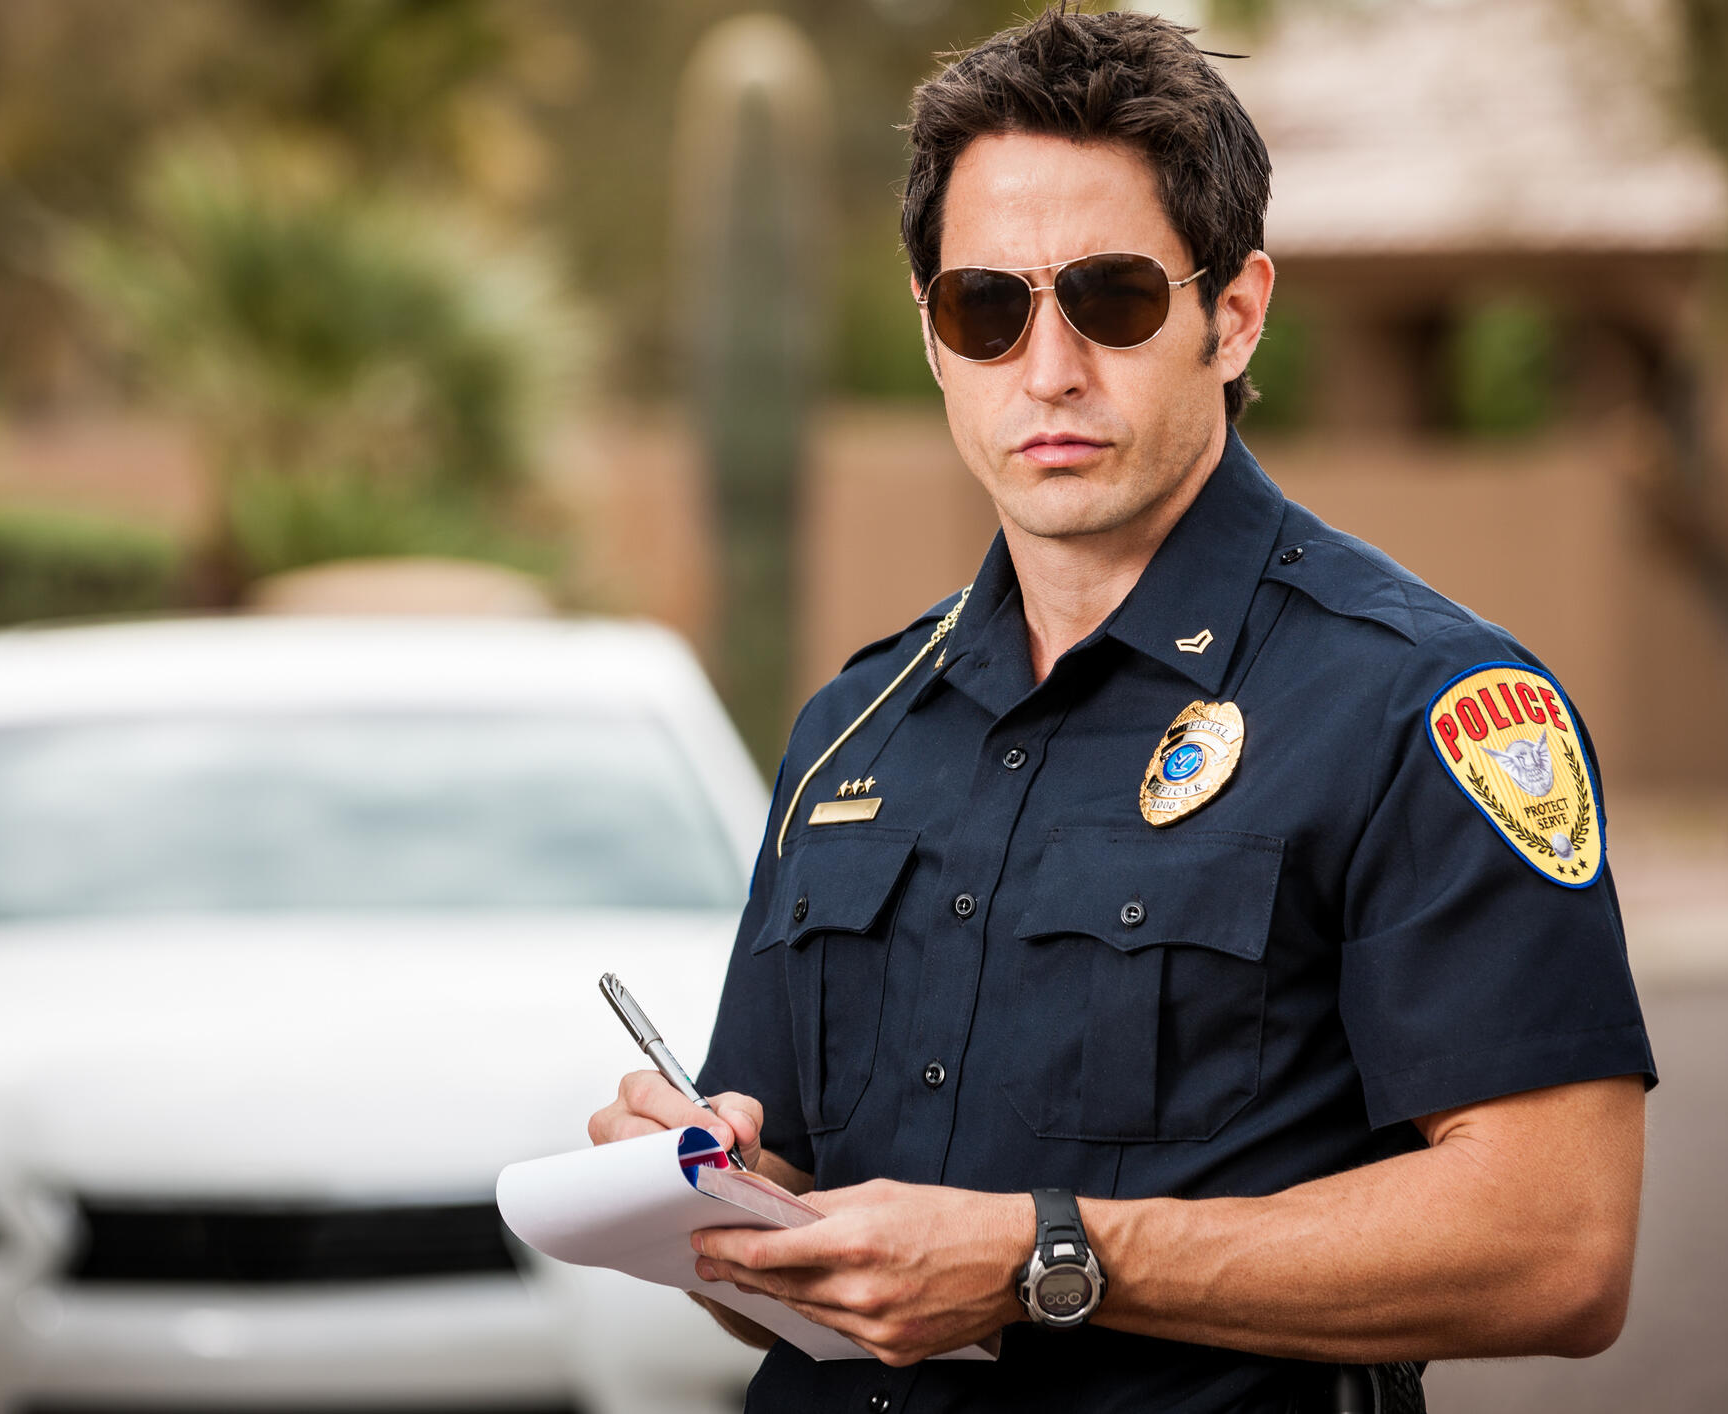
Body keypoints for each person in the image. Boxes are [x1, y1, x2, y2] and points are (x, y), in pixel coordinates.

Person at [589, 8, 1655, 1412]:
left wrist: (1046, 1255)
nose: (1047, 368)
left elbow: (1558, 1249)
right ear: (930, 334)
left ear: (1234, 311)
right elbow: (806, 1248)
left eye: (1111, 297)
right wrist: (721, 1207)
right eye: (987, 305)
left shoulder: (1425, 705)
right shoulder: (851, 729)